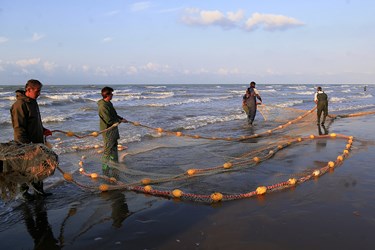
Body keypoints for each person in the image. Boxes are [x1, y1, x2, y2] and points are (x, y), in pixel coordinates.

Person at [10, 79, 53, 200]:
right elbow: (19, 129)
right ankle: (24, 194)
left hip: (37, 143)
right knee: (25, 168)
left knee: (39, 167)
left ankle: (39, 191)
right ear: (28, 89)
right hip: (26, 145)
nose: (39, 93)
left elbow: (34, 122)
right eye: (37, 91)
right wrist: (26, 147)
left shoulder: (33, 102)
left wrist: (43, 129)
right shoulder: (19, 105)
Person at [98, 87, 127, 176]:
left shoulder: (108, 103)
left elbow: (114, 115)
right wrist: (119, 121)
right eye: (111, 94)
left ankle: (115, 166)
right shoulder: (103, 106)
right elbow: (108, 120)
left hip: (113, 130)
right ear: (107, 95)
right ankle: (105, 169)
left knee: (114, 147)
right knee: (107, 150)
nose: (113, 95)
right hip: (108, 131)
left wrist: (121, 118)